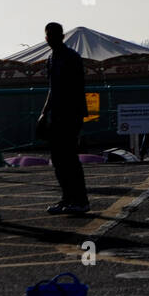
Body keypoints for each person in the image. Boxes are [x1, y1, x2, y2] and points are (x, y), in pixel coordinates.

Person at [38, 23, 90, 214]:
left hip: (70, 114)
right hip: (57, 114)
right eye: (48, 35)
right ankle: (67, 198)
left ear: (61, 36)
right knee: (59, 160)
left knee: (69, 158)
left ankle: (80, 200)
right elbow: (52, 89)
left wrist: (75, 116)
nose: (50, 38)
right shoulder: (51, 59)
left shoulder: (71, 58)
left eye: (53, 35)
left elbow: (77, 88)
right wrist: (44, 113)